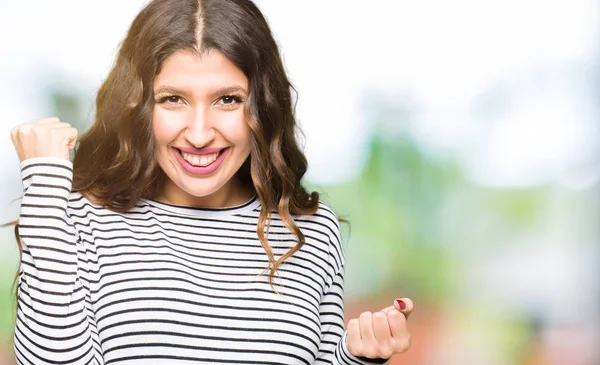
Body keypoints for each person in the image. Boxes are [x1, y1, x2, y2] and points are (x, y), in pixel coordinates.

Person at [9, 0, 413, 364]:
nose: (200, 134)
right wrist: (44, 183)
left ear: (262, 105)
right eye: (173, 99)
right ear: (138, 105)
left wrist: (358, 356)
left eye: (228, 100)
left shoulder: (310, 231)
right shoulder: (80, 219)